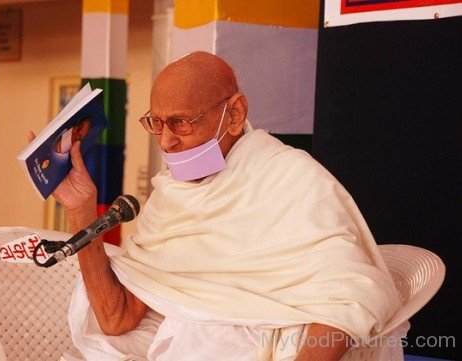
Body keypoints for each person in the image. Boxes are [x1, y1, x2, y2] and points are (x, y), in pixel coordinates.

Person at [51, 52, 405, 361]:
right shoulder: (172, 198)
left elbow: (347, 297)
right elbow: (117, 319)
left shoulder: (290, 177)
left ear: (235, 114)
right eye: (156, 123)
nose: (167, 141)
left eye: (180, 122)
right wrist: (82, 209)